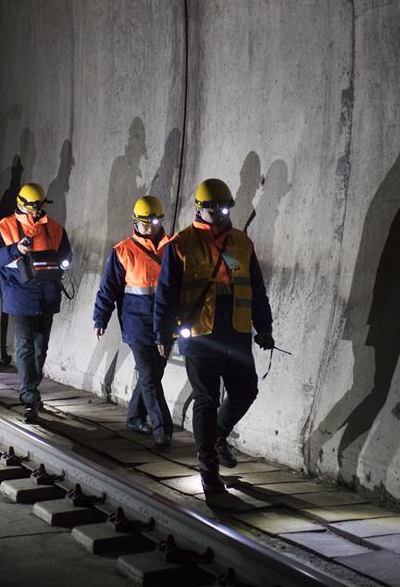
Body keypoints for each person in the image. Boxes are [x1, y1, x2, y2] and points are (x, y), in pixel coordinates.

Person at [154, 178, 274, 493]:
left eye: (224, 207)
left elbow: (255, 289)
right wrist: (162, 333)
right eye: (213, 207)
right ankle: (208, 467)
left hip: (235, 330)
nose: (219, 213)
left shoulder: (241, 243)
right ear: (199, 208)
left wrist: (265, 327)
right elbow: (165, 294)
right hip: (199, 333)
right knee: (205, 399)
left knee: (245, 391)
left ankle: (218, 435)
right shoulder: (181, 243)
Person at [0, 182, 72, 423]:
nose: (35, 212)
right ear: (20, 205)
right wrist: (15, 249)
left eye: (38, 207)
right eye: (31, 207)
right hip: (19, 296)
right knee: (24, 345)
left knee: (40, 347)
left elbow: (66, 255)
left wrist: (60, 268)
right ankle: (30, 396)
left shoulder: (54, 228)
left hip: (47, 295)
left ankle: (31, 389)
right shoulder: (4, 228)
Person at [93, 196, 174, 446]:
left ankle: (135, 416)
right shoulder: (123, 251)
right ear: (135, 223)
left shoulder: (173, 247)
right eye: (143, 224)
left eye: (153, 222)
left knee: (154, 374)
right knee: (149, 374)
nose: (148, 228)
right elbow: (109, 288)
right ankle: (163, 429)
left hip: (165, 324)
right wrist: (101, 317)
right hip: (136, 323)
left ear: (161, 220)